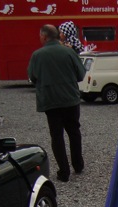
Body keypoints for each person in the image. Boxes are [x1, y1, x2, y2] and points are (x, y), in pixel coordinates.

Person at [28, 24, 87, 182]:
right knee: (74, 132)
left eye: (40, 36)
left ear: (44, 36)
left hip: (51, 101)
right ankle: (78, 164)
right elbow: (81, 74)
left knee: (57, 136)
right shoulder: (69, 52)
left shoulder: (37, 55)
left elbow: (32, 77)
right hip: (70, 99)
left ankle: (64, 171)